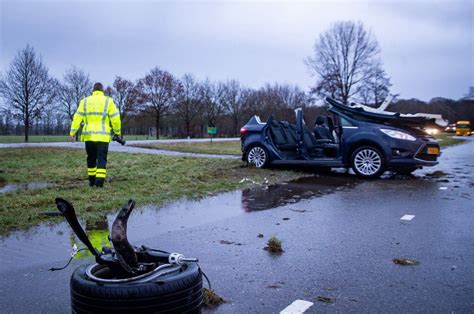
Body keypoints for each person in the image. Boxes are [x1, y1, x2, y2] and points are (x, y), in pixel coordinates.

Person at [69, 82, 121, 187]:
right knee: (102, 159)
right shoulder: (108, 101)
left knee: (91, 159)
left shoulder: (84, 101)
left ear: (93, 91)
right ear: (102, 91)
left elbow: (77, 117)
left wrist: (72, 132)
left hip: (89, 136)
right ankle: (99, 184)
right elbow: (115, 118)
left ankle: (91, 182)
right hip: (103, 137)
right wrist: (117, 132)